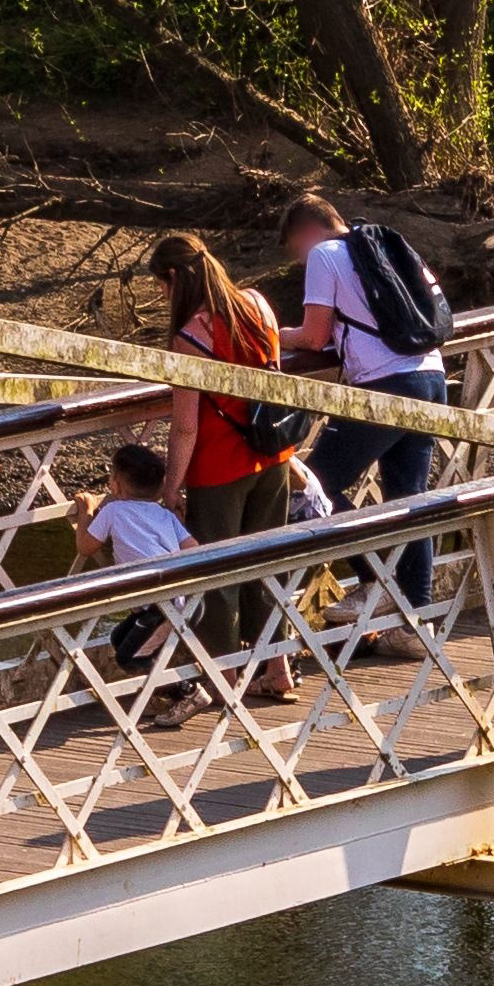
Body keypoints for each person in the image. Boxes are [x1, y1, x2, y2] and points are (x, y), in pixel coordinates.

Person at [282, 189, 458, 642]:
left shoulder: (325, 253)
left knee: (315, 483)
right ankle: (416, 626)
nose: (303, 262)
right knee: (409, 496)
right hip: (431, 375)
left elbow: (315, 334)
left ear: (307, 232)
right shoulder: (381, 243)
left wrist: (271, 333)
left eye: (296, 252)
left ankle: (373, 580)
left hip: (385, 384)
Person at [147, 229, 303, 681]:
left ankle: (225, 680)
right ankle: (278, 669)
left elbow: (185, 425)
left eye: (162, 285)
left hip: (218, 468)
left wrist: (171, 487)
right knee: (266, 566)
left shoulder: (192, 336)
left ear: (174, 277)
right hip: (272, 455)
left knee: (217, 578)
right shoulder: (258, 305)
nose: (162, 294)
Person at [84, 439, 199, 673]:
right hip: (183, 599)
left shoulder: (112, 511)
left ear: (115, 485)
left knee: (128, 658)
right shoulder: (165, 515)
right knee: (118, 638)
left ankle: (184, 692)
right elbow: (194, 548)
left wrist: (86, 511)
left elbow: (86, 547)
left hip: (164, 605)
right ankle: (161, 692)